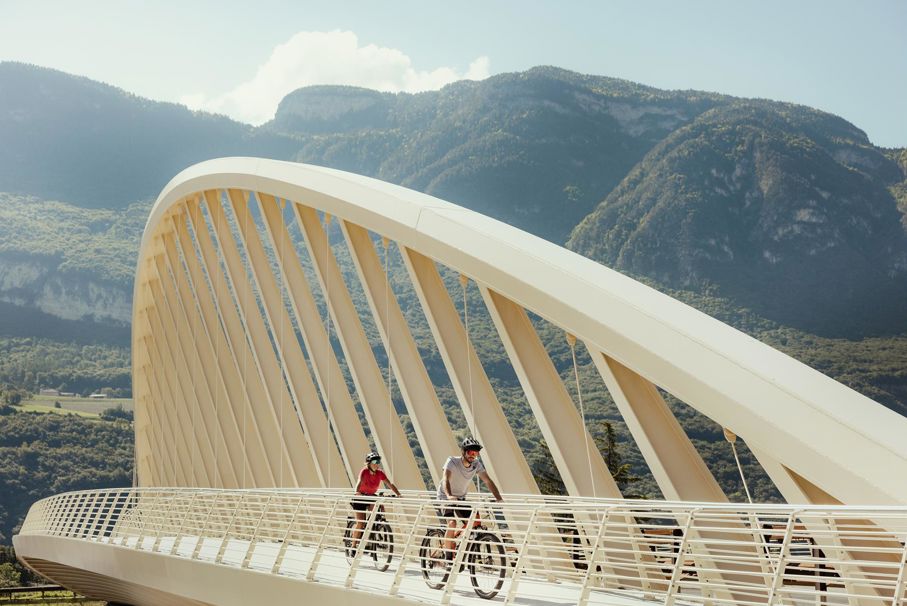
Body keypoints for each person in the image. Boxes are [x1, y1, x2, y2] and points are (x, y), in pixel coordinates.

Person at [435, 436, 503, 557]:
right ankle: (448, 555)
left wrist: (498, 498)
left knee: (474, 520)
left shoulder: (476, 464)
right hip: (445, 497)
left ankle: (459, 542)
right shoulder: (452, 461)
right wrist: (449, 495)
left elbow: (487, 481)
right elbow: (446, 479)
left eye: (476, 454)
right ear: (464, 452)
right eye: (471, 452)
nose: (473, 456)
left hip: (460, 498)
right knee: (452, 523)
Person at [351, 451, 401, 550]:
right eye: (375, 461)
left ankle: (375, 529)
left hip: (371, 496)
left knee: (379, 508)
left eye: (378, 461)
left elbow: (389, 484)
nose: (377, 463)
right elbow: (359, 481)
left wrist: (398, 494)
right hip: (360, 497)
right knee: (361, 522)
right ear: (369, 463)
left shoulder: (380, 473)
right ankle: (353, 545)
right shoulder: (364, 471)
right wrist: (357, 492)